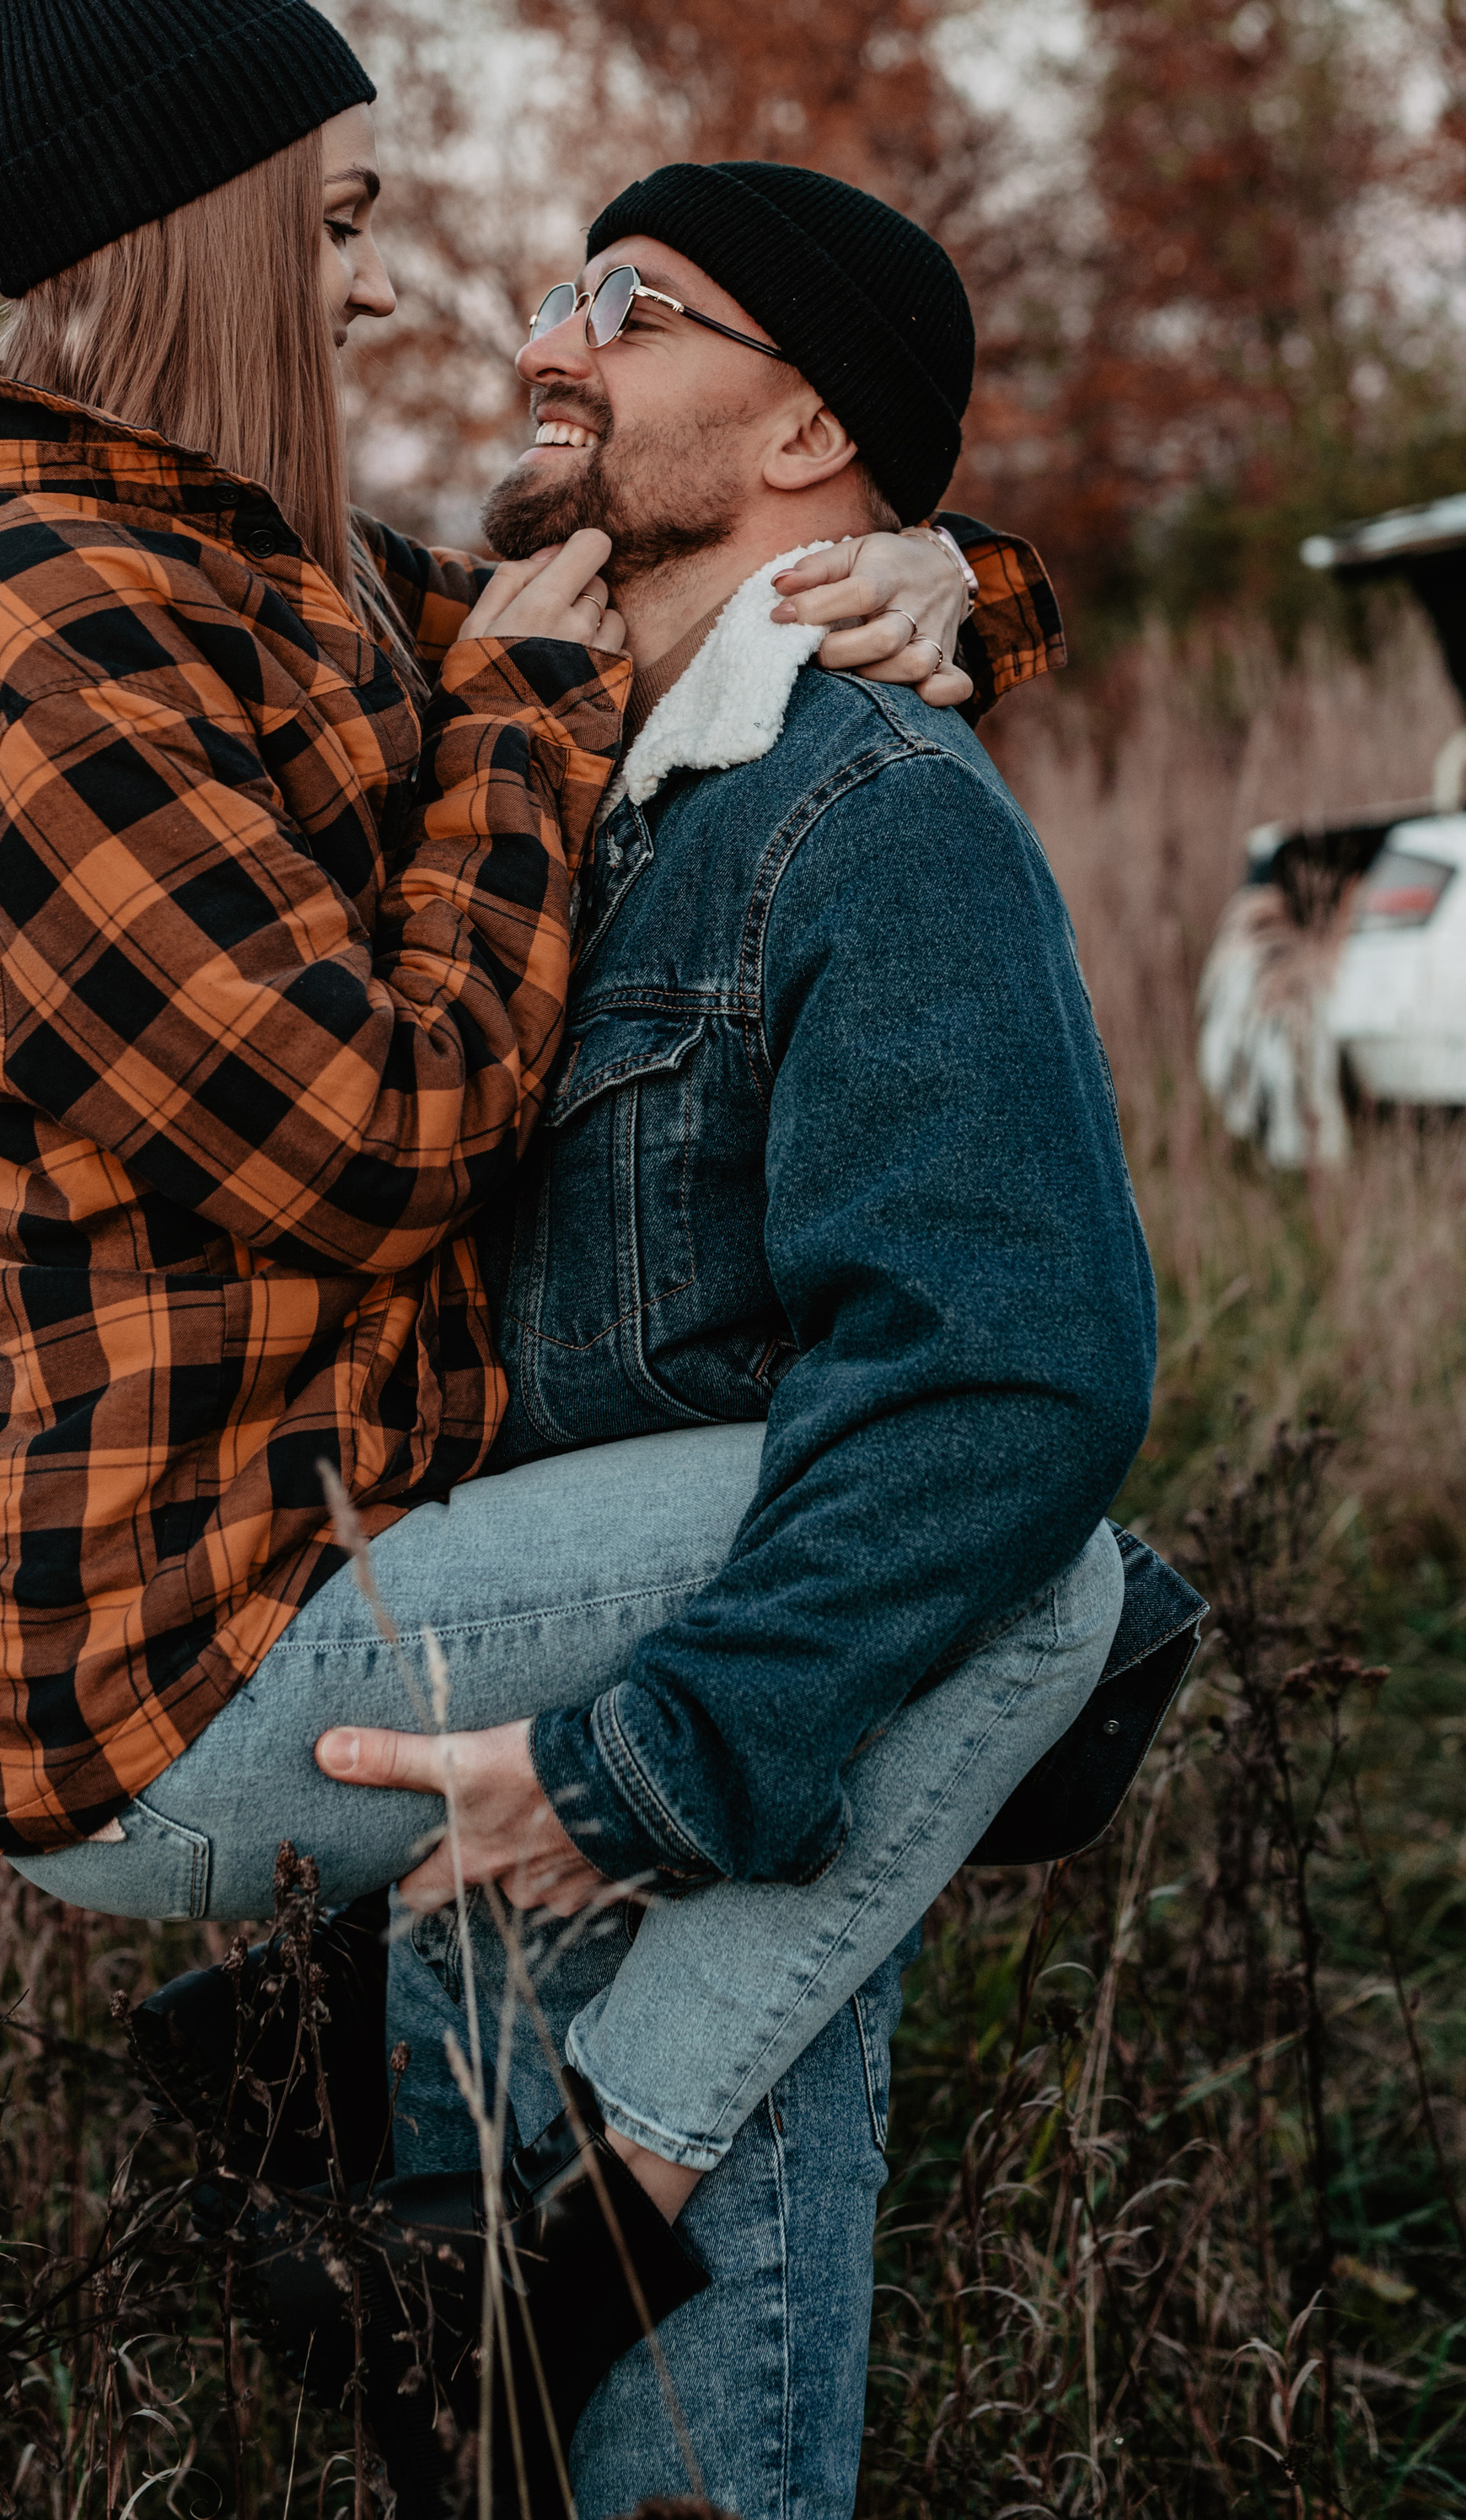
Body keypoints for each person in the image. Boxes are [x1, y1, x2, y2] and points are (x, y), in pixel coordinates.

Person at [0, 0, 1041, 2484]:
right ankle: (575, 2200)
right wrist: (510, 720)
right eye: (346, 223)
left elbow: (660, 600)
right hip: (161, 1644)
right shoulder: (42, 612)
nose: (390, 291)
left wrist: (958, 578)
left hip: (306, 1537)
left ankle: (446, 2163)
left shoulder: (262, 577)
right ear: (201, 248)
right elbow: (380, 1137)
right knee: (1010, 1553)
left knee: (909, 1581)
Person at [235, 164, 1195, 2517]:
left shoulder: (869, 817)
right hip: (474, 1857)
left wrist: (628, 1777)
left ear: (801, 438)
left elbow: (1010, 1379)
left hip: (686, 1843)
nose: (550, 339)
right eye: (566, 290)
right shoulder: (567, 774)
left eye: (632, 307)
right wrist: (974, 573)